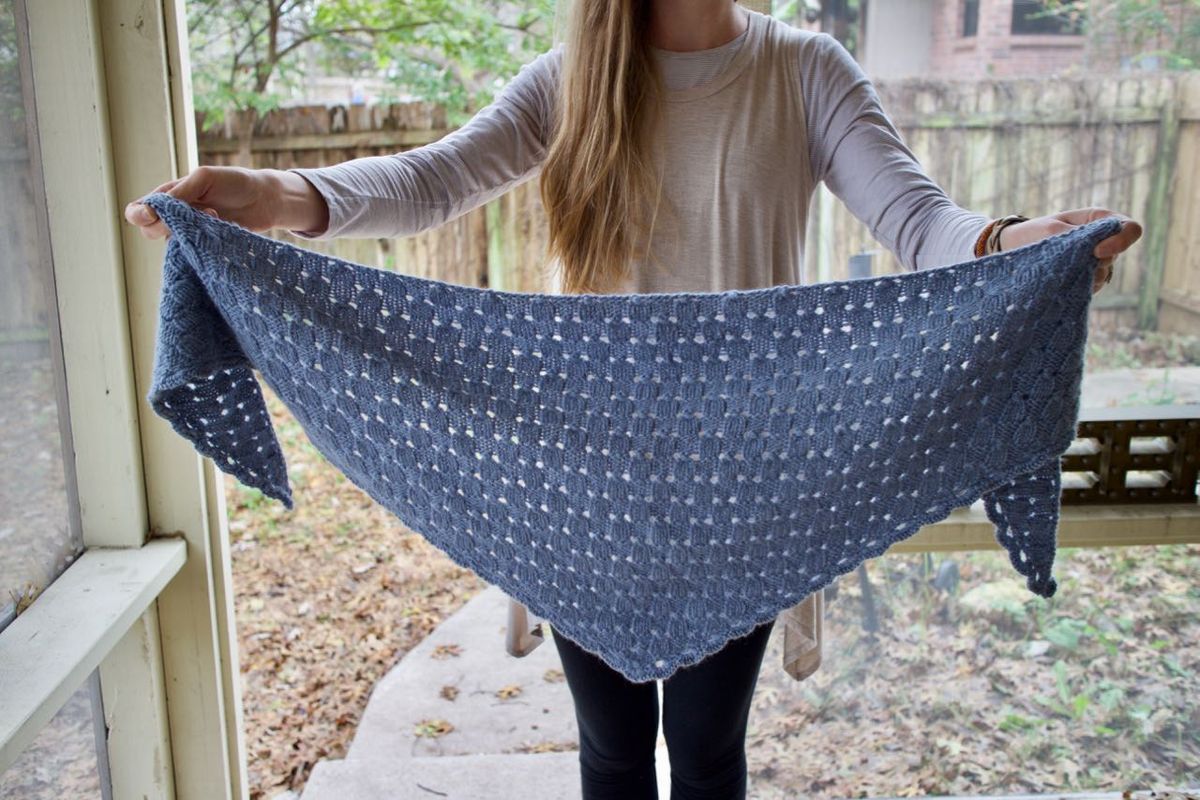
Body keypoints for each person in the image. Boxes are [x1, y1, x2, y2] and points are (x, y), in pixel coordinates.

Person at [125, 1, 1142, 797]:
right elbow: (431, 182)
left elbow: (919, 221)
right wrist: (273, 196)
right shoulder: (571, 79)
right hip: (587, 483)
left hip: (744, 482)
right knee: (610, 749)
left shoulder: (805, 69)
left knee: (706, 749)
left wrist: (1016, 244)